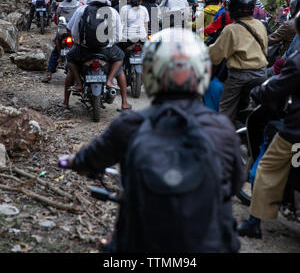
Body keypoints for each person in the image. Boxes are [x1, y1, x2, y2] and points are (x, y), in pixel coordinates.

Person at [59, 28, 243, 253]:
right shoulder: (223, 129)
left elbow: (90, 159)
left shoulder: (129, 125)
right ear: (202, 72)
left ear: (149, 72)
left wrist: (71, 161)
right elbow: (235, 184)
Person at [237, 10, 300, 239]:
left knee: (267, 169)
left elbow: (276, 88)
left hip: (295, 131)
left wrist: (259, 91)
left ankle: (254, 224)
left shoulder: (296, 60)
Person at [63, 0, 131, 111]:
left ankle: (72, 92)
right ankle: (121, 98)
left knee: (70, 59)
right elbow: (118, 36)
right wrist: (110, 42)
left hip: (84, 50)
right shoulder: (112, 11)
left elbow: (71, 30)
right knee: (120, 60)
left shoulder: (82, 9)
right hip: (107, 51)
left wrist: (78, 42)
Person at [208, 0, 268, 122]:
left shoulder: (231, 29)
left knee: (225, 108)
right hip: (262, 73)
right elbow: (265, 49)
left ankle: (223, 135)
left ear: (233, 10)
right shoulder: (260, 25)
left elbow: (215, 56)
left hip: (239, 77)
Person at [42, 0, 81, 83]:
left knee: (55, 50)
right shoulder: (79, 5)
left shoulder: (61, 5)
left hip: (63, 31)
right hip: (74, 31)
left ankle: (49, 73)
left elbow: (56, 18)